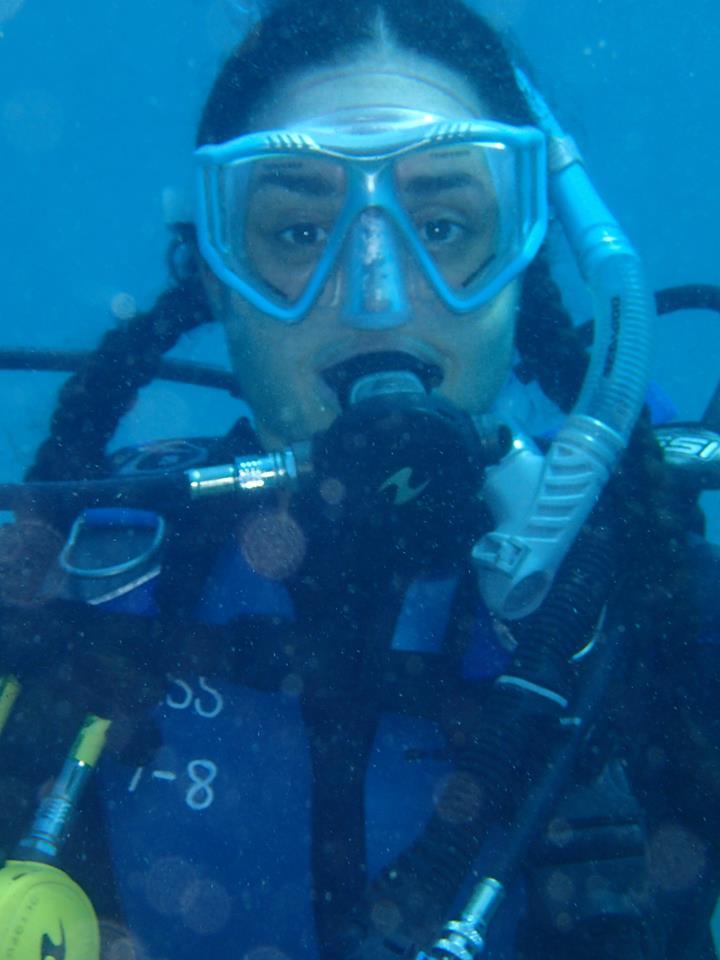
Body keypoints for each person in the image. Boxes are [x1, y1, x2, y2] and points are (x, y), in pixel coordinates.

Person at [1, 0, 719, 958]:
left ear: (521, 269)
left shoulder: (654, 611)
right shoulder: (75, 586)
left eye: (447, 225)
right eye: (300, 234)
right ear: (217, 278)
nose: (377, 300)